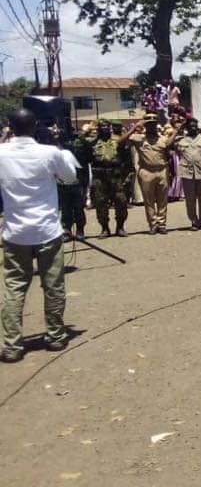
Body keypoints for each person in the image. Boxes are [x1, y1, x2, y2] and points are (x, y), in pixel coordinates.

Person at [0, 109, 77, 363]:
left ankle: (11, 345)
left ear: (9, 127)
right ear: (35, 127)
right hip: (47, 231)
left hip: (15, 233)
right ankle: (55, 336)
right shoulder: (49, 153)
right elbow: (70, 177)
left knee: (14, 288)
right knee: (53, 284)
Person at [84, 119, 136, 238]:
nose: (105, 128)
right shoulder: (92, 142)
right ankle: (104, 228)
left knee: (121, 201)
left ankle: (120, 227)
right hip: (99, 177)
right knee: (100, 203)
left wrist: (127, 175)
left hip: (115, 176)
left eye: (107, 126)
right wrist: (89, 130)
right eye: (102, 126)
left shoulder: (117, 141)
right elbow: (82, 143)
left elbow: (125, 155)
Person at [129, 114, 177, 234]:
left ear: (156, 126)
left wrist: (176, 130)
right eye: (148, 125)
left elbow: (170, 145)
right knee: (148, 201)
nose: (151, 127)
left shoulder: (162, 139)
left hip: (162, 170)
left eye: (153, 124)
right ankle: (153, 224)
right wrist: (135, 127)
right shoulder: (138, 139)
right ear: (145, 126)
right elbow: (121, 141)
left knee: (162, 200)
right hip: (146, 171)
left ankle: (162, 224)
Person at [175, 117, 201, 229]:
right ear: (187, 128)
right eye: (191, 126)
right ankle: (194, 221)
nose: (193, 127)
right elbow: (169, 144)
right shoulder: (181, 140)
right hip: (187, 173)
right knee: (190, 200)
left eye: (195, 125)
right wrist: (179, 127)